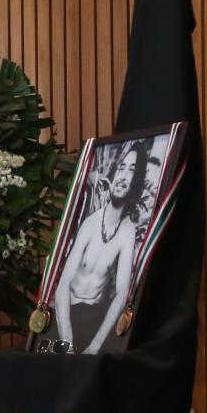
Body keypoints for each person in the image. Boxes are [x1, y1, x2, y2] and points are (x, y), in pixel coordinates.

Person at [52, 136, 154, 355]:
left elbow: (122, 292)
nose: (123, 177)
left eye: (131, 170)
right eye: (122, 168)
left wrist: (96, 345)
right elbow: (63, 285)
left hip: (95, 318)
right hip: (66, 315)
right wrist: (67, 341)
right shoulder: (90, 224)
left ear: (136, 180)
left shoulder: (127, 232)